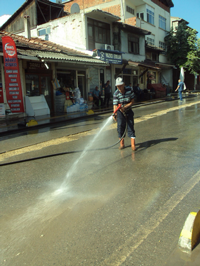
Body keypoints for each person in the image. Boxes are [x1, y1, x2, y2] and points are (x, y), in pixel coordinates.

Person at [113, 77, 136, 151]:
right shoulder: (116, 93)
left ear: (124, 84)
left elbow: (132, 101)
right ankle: (122, 144)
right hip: (120, 112)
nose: (119, 87)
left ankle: (133, 144)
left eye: (120, 85)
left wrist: (125, 107)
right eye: (117, 86)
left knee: (130, 126)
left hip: (128, 111)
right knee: (120, 127)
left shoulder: (130, 90)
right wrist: (115, 114)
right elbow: (115, 105)